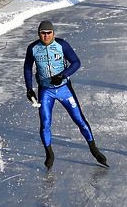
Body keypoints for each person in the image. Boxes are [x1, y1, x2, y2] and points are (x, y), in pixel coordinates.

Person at [23, 20, 108, 170]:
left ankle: (94, 149)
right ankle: (49, 153)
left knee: (79, 119)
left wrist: (63, 75)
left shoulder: (62, 45)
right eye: (43, 33)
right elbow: (28, 68)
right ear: (39, 34)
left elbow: (76, 62)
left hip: (63, 89)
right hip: (46, 91)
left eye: (49, 33)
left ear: (53, 33)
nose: (46, 36)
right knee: (45, 124)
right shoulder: (33, 48)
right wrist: (29, 89)